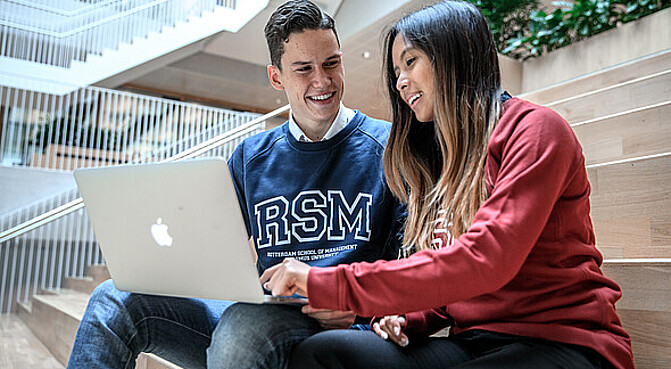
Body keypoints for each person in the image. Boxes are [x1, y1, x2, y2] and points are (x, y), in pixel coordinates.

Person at [263, 1, 635, 369]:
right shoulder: (442, 158)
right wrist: (410, 317)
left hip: (563, 339)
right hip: (474, 340)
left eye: (410, 62)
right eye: (396, 71)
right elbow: (450, 279)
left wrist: (331, 283)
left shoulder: (536, 130)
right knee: (322, 353)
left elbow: (484, 260)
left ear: (453, 55)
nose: (401, 81)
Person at [66, 1, 404, 368]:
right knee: (113, 298)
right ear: (277, 77)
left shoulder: (389, 148)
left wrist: (357, 301)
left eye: (331, 63)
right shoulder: (250, 156)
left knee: (242, 329)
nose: (321, 80)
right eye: (304, 69)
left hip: (346, 324)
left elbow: (416, 262)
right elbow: (215, 249)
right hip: (269, 312)